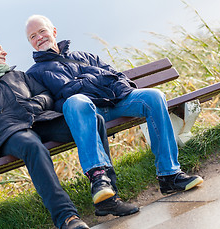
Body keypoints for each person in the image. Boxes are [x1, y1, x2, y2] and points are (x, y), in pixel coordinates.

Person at [0, 34, 122, 229]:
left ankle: (107, 198)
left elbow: (46, 95)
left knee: (94, 120)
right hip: (10, 133)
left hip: (41, 121)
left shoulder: (18, 75)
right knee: (33, 146)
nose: (4, 51)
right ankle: (67, 218)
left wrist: (36, 103)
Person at [25, 15, 204, 203]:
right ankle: (99, 179)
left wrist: (112, 89)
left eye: (42, 31)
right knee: (76, 101)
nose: (39, 38)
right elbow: (50, 105)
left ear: (53, 31)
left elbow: (117, 76)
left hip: (114, 103)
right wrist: (85, 89)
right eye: (33, 36)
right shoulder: (34, 75)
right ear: (30, 43)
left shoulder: (85, 57)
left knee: (154, 96)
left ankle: (170, 175)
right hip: (88, 114)